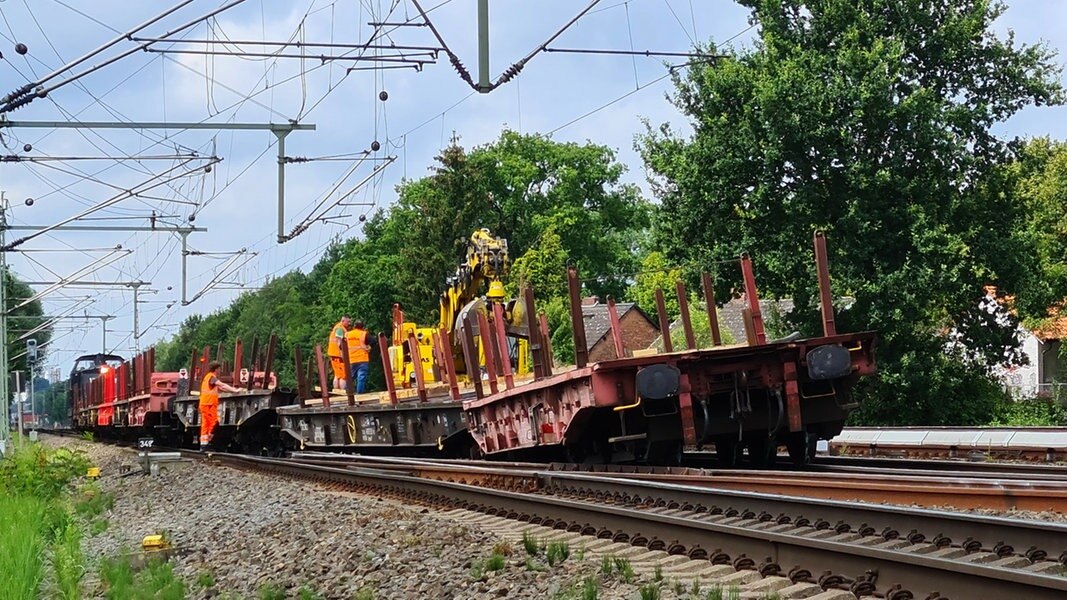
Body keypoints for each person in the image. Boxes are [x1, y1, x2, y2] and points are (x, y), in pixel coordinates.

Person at [199, 361, 242, 449]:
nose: (220, 371)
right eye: (219, 369)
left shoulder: (208, 378)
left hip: (205, 403)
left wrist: (232, 390)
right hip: (209, 404)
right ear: (216, 369)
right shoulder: (212, 377)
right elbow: (222, 385)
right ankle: (209, 442)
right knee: (214, 423)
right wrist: (235, 391)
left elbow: (222, 388)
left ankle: (204, 445)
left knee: (206, 424)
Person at [345, 319, 374, 394]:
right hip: (362, 359)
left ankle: (347, 392)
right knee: (361, 378)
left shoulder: (347, 334)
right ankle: (359, 394)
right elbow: (373, 341)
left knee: (349, 377)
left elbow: (342, 346)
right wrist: (369, 346)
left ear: (354, 326)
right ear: (363, 327)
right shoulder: (363, 334)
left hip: (351, 359)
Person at [327, 316, 351, 391]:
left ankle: (336, 390)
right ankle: (343, 391)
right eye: (348, 322)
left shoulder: (336, 327)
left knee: (337, 374)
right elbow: (339, 341)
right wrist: (342, 352)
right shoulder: (340, 328)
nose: (349, 323)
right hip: (338, 355)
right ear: (343, 321)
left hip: (333, 353)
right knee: (343, 375)